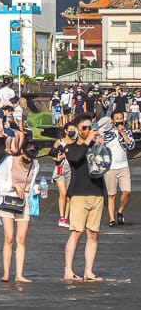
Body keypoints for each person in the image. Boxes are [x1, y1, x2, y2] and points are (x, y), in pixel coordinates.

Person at [63, 113, 106, 282]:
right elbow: (75, 158)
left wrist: (101, 147)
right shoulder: (71, 147)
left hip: (96, 191)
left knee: (93, 234)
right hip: (79, 193)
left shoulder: (95, 145)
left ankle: (89, 270)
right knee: (76, 232)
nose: (87, 131)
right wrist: (88, 142)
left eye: (90, 128)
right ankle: (68, 269)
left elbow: (104, 164)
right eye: (84, 128)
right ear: (78, 129)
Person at [0, 139, 39, 283]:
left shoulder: (35, 165)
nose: (28, 160)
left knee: (21, 238)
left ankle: (19, 274)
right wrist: (13, 185)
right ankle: (6, 273)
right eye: (26, 157)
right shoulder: (10, 161)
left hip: (24, 201)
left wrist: (36, 189)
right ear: (22, 152)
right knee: (9, 237)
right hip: (8, 199)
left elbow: (31, 184)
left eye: (31, 158)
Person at [101, 112, 134, 227]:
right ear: (112, 120)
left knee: (127, 191)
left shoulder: (127, 132)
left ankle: (120, 211)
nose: (119, 121)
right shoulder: (106, 134)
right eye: (117, 119)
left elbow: (131, 145)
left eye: (121, 118)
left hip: (123, 166)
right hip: (110, 168)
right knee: (111, 194)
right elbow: (99, 147)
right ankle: (111, 219)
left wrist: (122, 132)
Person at [49, 122, 76, 228]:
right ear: (65, 130)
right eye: (71, 129)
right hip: (60, 168)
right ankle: (61, 217)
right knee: (63, 193)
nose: (72, 131)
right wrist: (57, 158)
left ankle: (66, 216)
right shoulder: (59, 142)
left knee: (69, 195)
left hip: (71, 169)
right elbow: (52, 154)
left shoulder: (75, 143)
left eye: (74, 129)